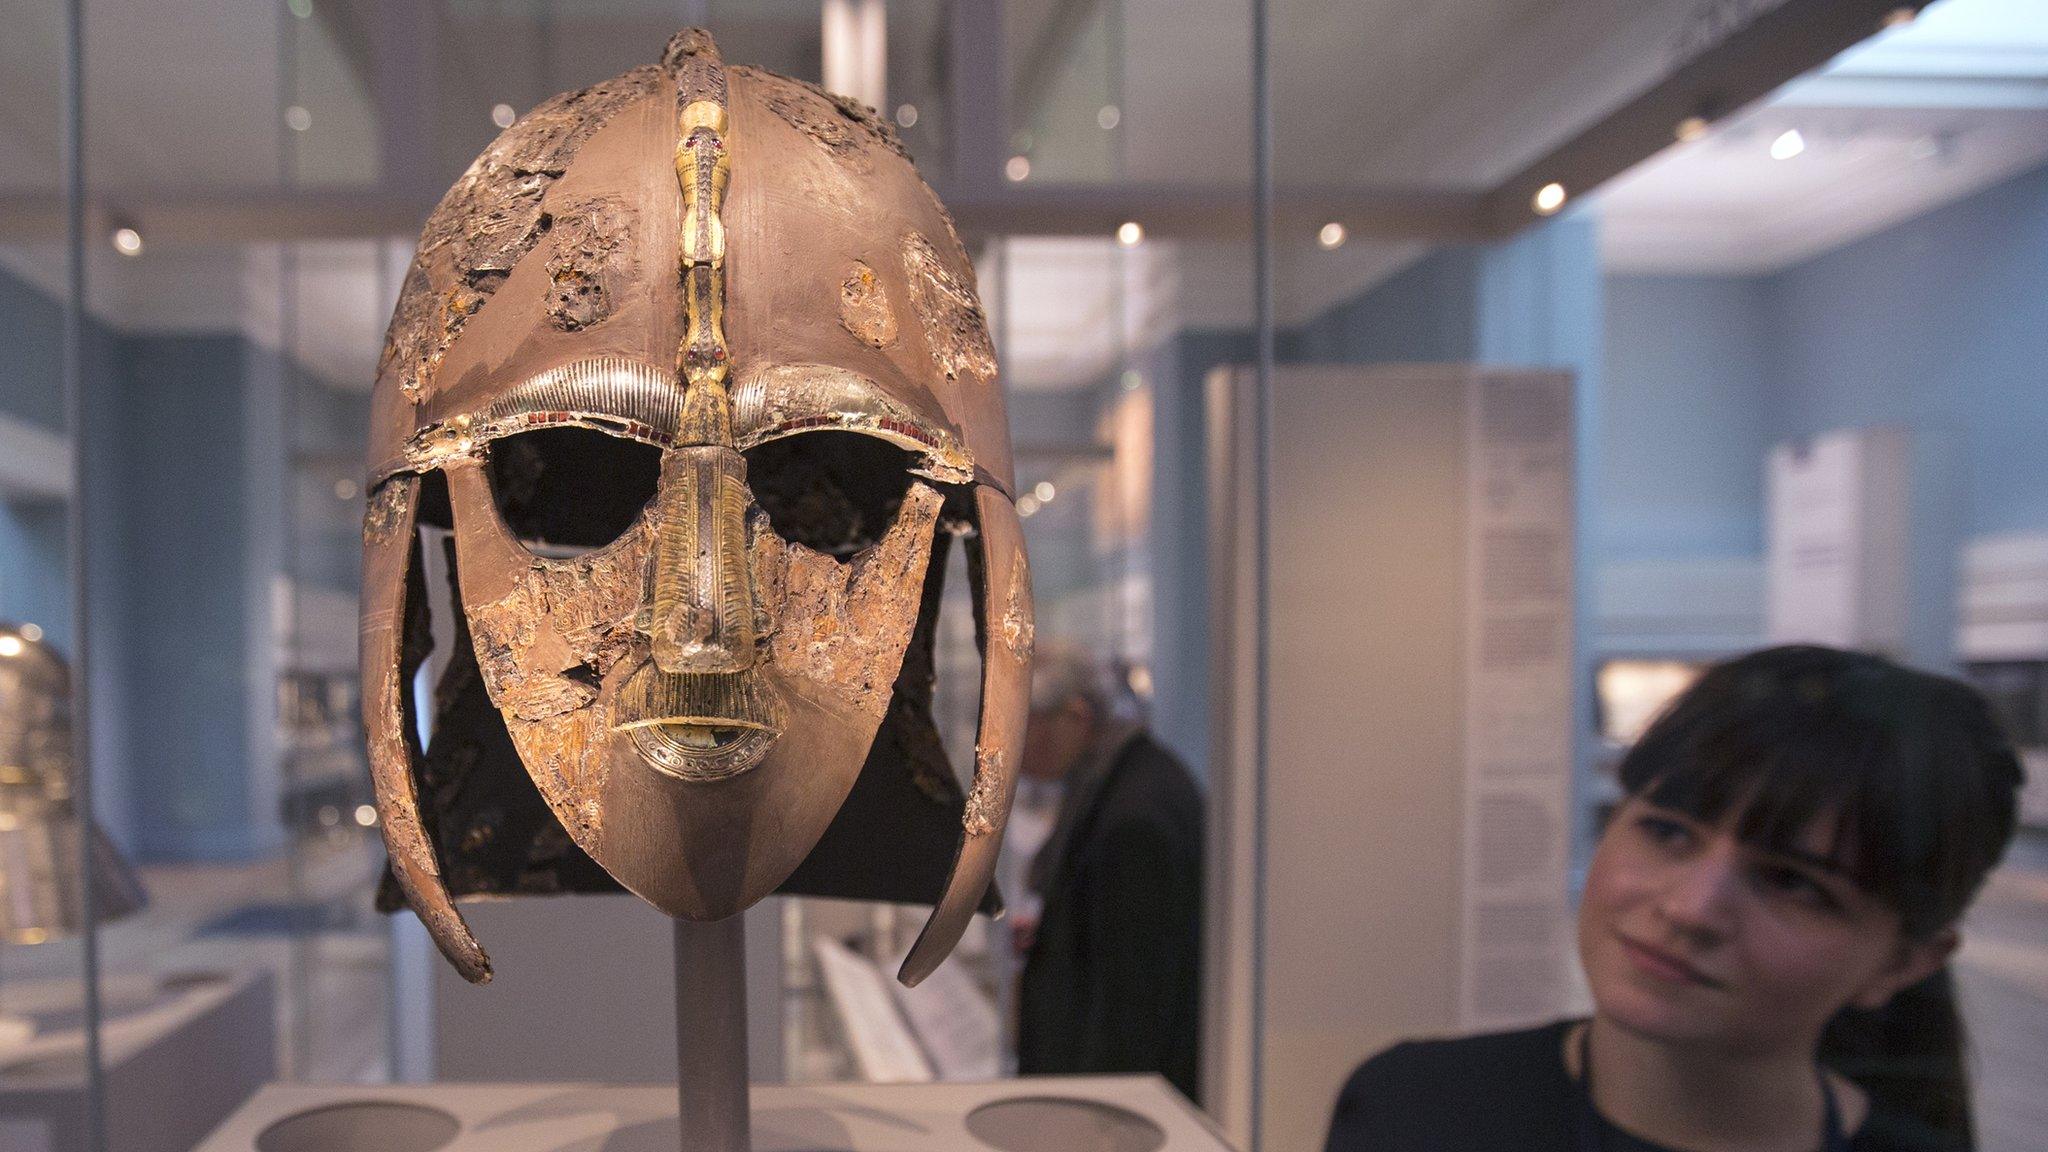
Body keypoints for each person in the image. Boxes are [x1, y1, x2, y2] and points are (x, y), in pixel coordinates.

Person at [1325, 645, 2025, 1152]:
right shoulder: (1417, 1107)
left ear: (1902, 964)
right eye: (1666, 831)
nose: (1690, 909)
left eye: (1791, 882)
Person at [1015, 642, 1205, 1102]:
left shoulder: (1134, 816)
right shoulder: (1121, 782)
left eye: (1023, 726)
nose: (1011, 748)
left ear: (1076, 717)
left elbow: (1131, 1011)